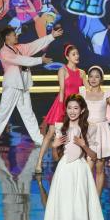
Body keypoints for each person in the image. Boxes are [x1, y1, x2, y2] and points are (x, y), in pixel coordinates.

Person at [42, 95, 108, 220]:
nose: (72, 111)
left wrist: (84, 145)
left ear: (82, 110)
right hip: (64, 171)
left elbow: (94, 156)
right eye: (69, 108)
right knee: (66, 212)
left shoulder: (89, 127)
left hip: (80, 170)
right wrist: (54, 146)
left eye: (76, 108)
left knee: (80, 212)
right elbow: (56, 158)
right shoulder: (61, 127)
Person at [0, 26, 63, 146]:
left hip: (23, 85)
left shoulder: (19, 48)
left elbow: (34, 45)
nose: (16, 36)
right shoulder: (4, 52)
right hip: (12, 86)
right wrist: (40, 60)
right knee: (3, 113)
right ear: (7, 37)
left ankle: (38, 138)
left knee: (28, 113)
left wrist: (51, 36)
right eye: (14, 35)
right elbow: (21, 60)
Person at [35, 44, 87, 174]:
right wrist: (62, 108)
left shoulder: (82, 73)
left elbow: (86, 91)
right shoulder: (63, 70)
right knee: (50, 133)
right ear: (67, 57)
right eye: (74, 54)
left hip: (75, 108)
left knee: (76, 134)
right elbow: (62, 90)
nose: (77, 56)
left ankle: (75, 162)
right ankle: (39, 162)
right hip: (62, 105)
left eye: (77, 53)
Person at [84, 65, 110, 182]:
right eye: (91, 76)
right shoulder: (82, 93)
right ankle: (86, 193)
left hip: (101, 132)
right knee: (87, 168)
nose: (93, 79)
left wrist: (104, 122)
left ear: (101, 79)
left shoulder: (107, 94)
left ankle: (96, 194)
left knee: (99, 168)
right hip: (87, 131)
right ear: (88, 78)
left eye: (97, 77)